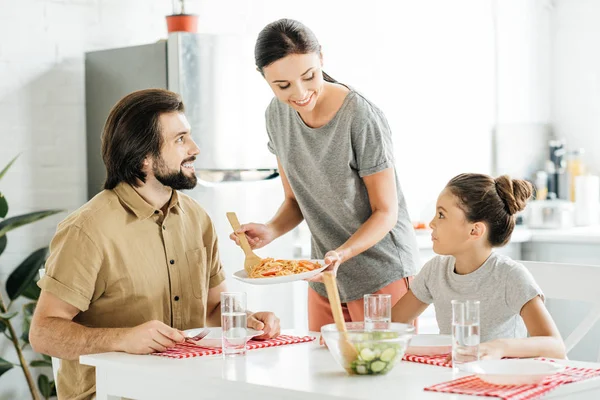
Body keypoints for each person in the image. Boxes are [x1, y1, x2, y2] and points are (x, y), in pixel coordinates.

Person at [29, 89, 281, 400]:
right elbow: (43, 333)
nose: (195, 148)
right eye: (180, 139)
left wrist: (248, 321)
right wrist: (123, 339)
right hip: (114, 392)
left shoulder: (197, 218)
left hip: (187, 386)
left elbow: (215, 307)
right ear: (144, 158)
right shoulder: (88, 230)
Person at [230, 18, 420, 332]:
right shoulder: (276, 116)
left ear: (322, 58)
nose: (301, 93)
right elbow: (295, 200)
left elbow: (386, 212)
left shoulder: (360, 116)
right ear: (263, 78)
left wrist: (341, 254)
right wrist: (271, 230)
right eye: (283, 86)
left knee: (385, 374)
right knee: (323, 374)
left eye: (309, 76)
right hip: (324, 276)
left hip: (382, 274)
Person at [392, 173, 566, 359]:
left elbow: (555, 346)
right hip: (454, 378)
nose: (432, 223)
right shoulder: (434, 271)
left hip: (502, 381)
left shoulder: (510, 276)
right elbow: (391, 324)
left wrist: (499, 347)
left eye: (441, 215)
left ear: (475, 230)